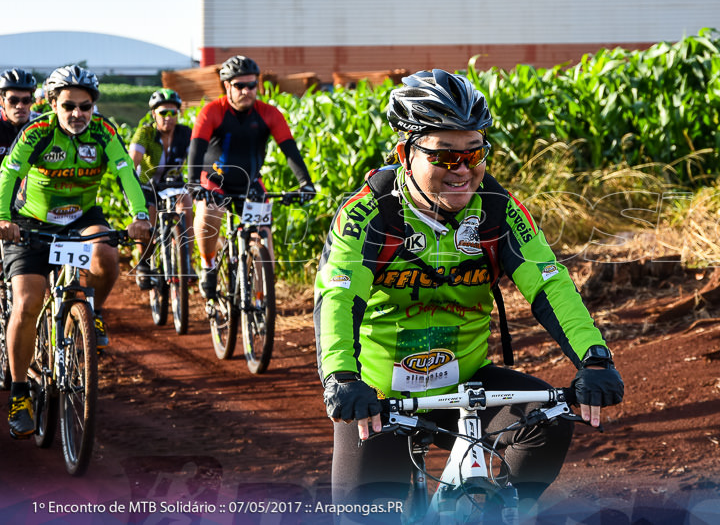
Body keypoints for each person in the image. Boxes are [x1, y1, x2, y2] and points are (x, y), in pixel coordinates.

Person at [314, 69, 625, 514]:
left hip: (467, 383)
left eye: (474, 153)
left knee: (550, 423)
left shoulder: (498, 210)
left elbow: (549, 283)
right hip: (380, 394)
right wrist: (341, 377)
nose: (462, 170)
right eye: (443, 157)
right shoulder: (371, 213)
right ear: (405, 153)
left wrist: (594, 358)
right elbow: (338, 295)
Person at [0, 65, 152, 439]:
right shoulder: (36, 133)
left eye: (85, 107)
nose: (77, 114)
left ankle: (92, 312)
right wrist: (2, 217)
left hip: (80, 220)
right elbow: (8, 173)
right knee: (27, 302)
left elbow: (126, 174)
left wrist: (140, 215)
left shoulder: (103, 132)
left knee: (107, 256)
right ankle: (20, 393)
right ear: (52, 104)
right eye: (68, 106)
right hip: (31, 222)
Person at [186, 55, 315, 302]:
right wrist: (194, 184)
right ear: (227, 86)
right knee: (210, 213)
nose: (247, 91)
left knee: (263, 238)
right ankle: (209, 265)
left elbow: (290, 151)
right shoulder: (212, 112)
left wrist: (305, 183)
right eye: (239, 86)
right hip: (215, 182)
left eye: (252, 85)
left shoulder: (269, 114)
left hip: (250, 184)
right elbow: (196, 149)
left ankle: (258, 299)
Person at [129, 88, 194, 289]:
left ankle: (186, 261)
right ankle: (145, 262)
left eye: (173, 113)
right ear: (154, 114)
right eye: (163, 112)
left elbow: (197, 161)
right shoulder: (146, 133)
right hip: (147, 184)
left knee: (187, 206)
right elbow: (133, 161)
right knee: (148, 219)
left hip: (173, 183)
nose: (168, 117)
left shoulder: (185, 133)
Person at [0, 69, 39, 164]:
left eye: (26, 100)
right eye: (13, 100)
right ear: (1, 101)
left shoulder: (40, 123)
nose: (20, 106)